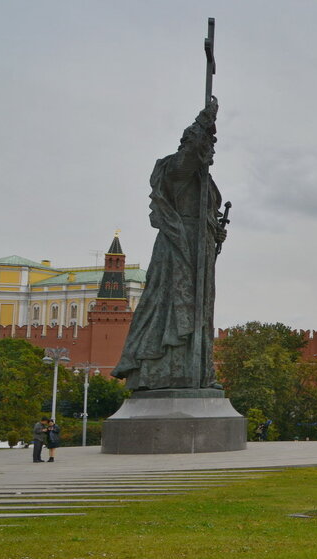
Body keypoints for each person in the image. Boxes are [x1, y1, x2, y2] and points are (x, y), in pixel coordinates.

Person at [111, 98, 229, 392]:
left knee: (200, 309)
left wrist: (214, 232)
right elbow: (186, 161)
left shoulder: (206, 180)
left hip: (200, 245)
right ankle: (158, 370)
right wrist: (205, 122)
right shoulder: (173, 167)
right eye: (206, 146)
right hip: (178, 244)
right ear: (192, 143)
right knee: (170, 304)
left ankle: (197, 371)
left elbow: (209, 214)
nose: (210, 151)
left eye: (211, 147)